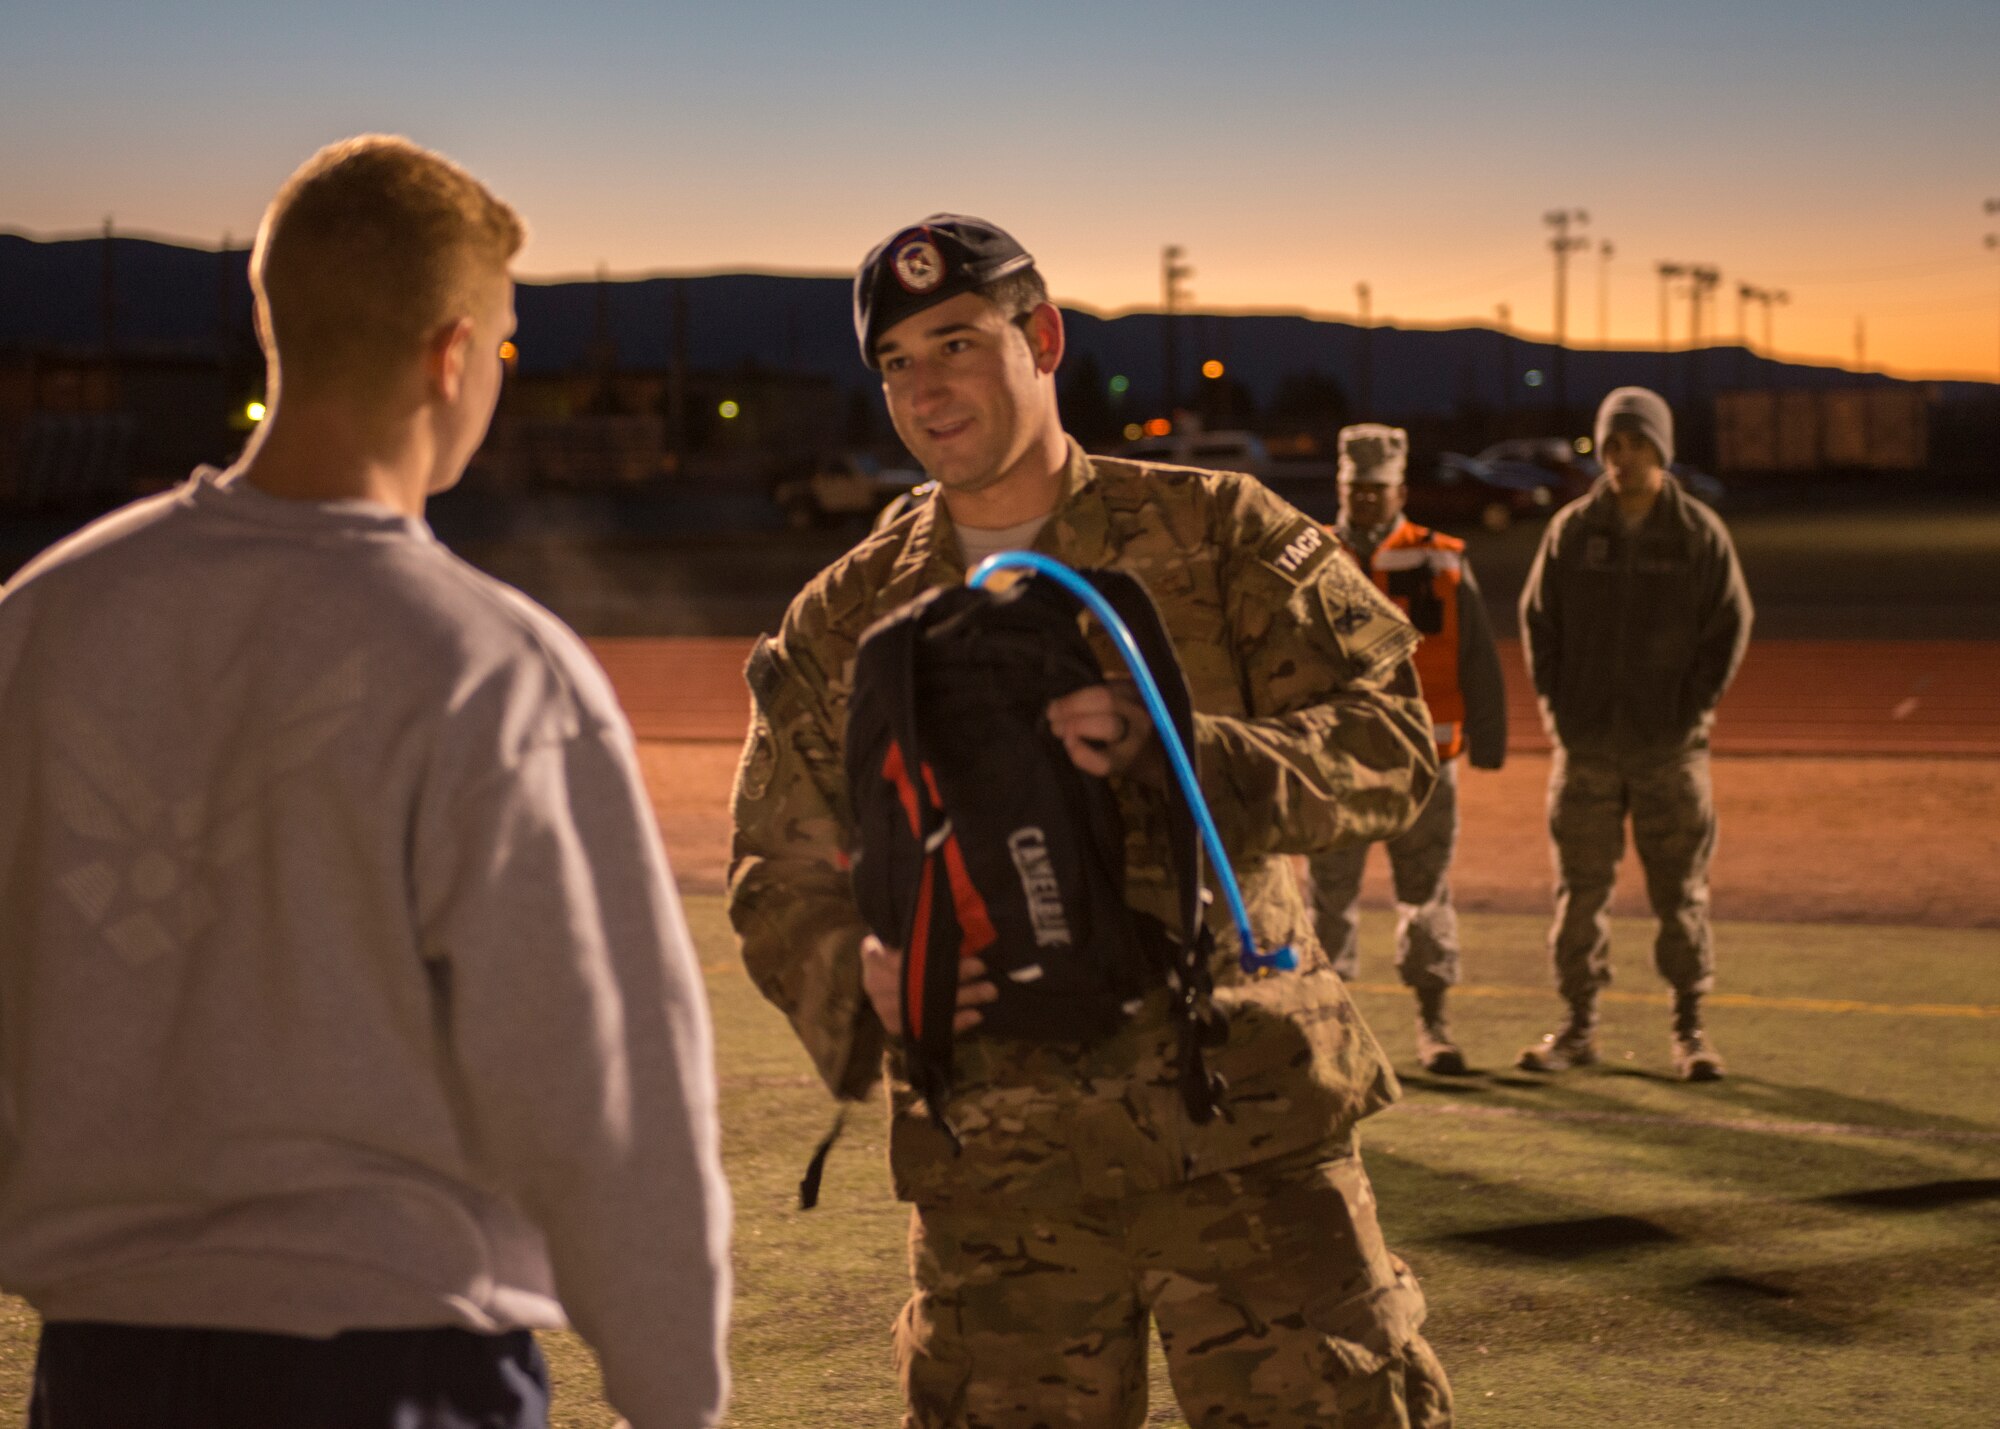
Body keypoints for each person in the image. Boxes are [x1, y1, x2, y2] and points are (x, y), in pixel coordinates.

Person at [0, 136, 730, 1429]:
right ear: (451, 354)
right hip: (397, 1368)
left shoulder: (39, 625)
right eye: (502, 350)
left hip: (102, 1371)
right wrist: (678, 1398)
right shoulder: (488, 666)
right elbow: (603, 1097)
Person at [730, 214, 1452, 1427]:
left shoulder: (1217, 535)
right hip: (999, 1179)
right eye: (895, 361)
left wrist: (1181, 753)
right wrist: (860, 973)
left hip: (1241, 1139)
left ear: (1042, 337)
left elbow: (1388, 743)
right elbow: (774, 867)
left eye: (955, 342)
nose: (924, 386)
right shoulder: (848, 616)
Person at [1516, 386, 1753, 1082]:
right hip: (1586, 750)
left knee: (1681, 895)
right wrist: (1560, 711)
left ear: (1662, 450)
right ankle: (1579, 1027)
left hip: (1668, 752)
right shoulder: (1571, 530)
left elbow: (1730, 625)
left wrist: (1692, 710)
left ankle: (1690, 1028)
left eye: (1638, 444)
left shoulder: (1697, 533)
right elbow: (1540, 623)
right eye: (1614, 445)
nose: (1624, 458)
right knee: (1579, 893)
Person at [1307, 424, 1507, 1075]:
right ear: (1341, 486)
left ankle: (1434, 1024)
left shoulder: (1441, 558)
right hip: (1336, 762)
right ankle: (1329, 1031)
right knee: (1326, 899)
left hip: (1424, 763)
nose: (1365, 499)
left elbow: (1476, 649)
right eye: (1355, 488)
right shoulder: (1310, 555)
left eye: (1378, 488)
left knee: (1425, 891)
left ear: (1400, 488)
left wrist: (1491, 732)